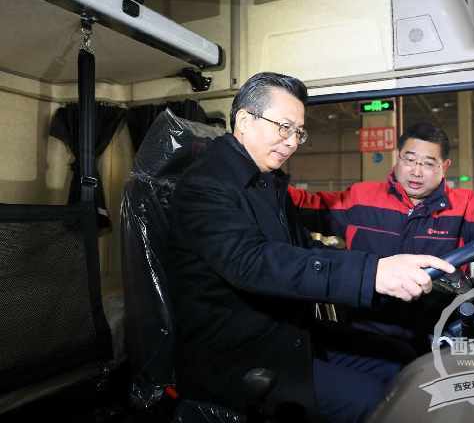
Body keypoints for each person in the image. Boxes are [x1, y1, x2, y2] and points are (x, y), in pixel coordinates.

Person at [167, 73, 455, 423]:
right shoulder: (205, 185)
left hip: (288, 331)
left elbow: (304, 249)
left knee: (403, 360)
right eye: (283, 127)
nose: (292, 142)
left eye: (298, 132)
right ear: (244, 120)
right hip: (238, 351)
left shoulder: (267, 184)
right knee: (380, 402)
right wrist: (371, 274)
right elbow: (253, 262)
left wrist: (380, 267)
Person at [288, 122, 474, 336]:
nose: (416, 171)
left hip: (433, 328)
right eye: (409, 159)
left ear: (444, 166)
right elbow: (306, 205)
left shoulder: (463, 205)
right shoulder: (361, 197)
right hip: (365, 325)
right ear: (398, 158)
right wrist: (270, 179)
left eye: (428, 163)